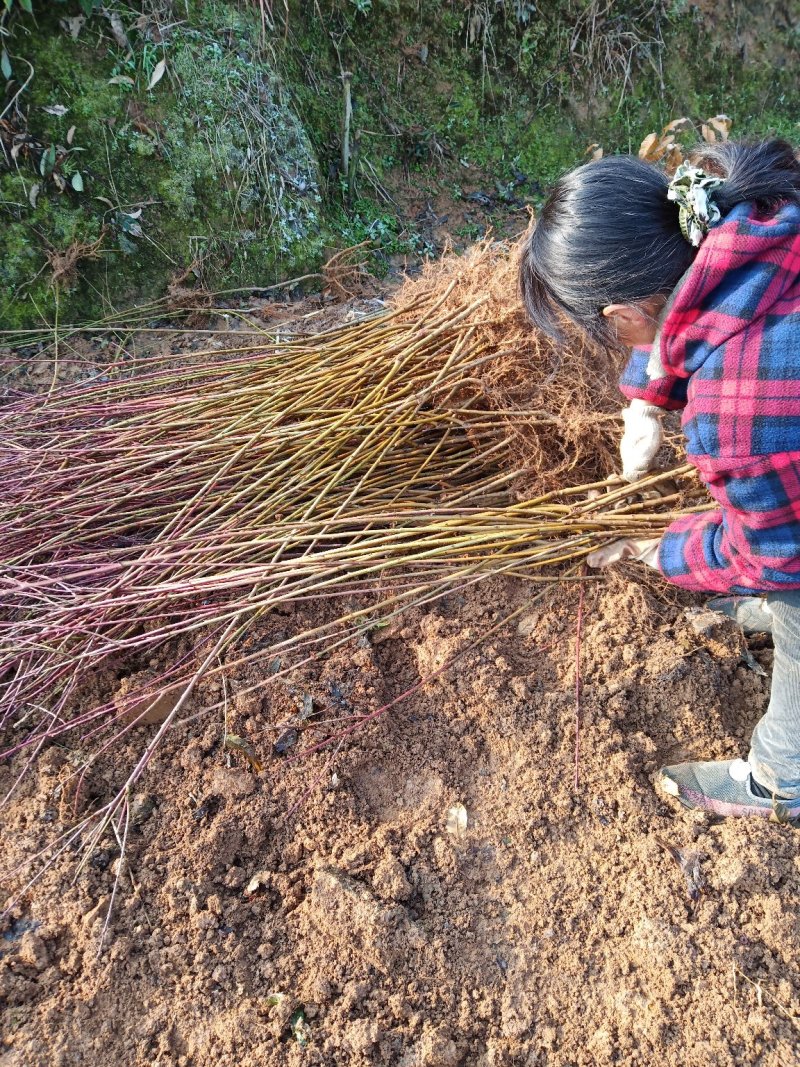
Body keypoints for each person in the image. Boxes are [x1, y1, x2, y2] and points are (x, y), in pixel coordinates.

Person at [519, 139, 800, 818]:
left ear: (622, 317)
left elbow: (775, 550)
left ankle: (781, 781)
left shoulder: (736, 413)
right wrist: (648, 399)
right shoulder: (759, 216)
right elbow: (697, 315)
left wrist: (661, 550)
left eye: (601, 331)